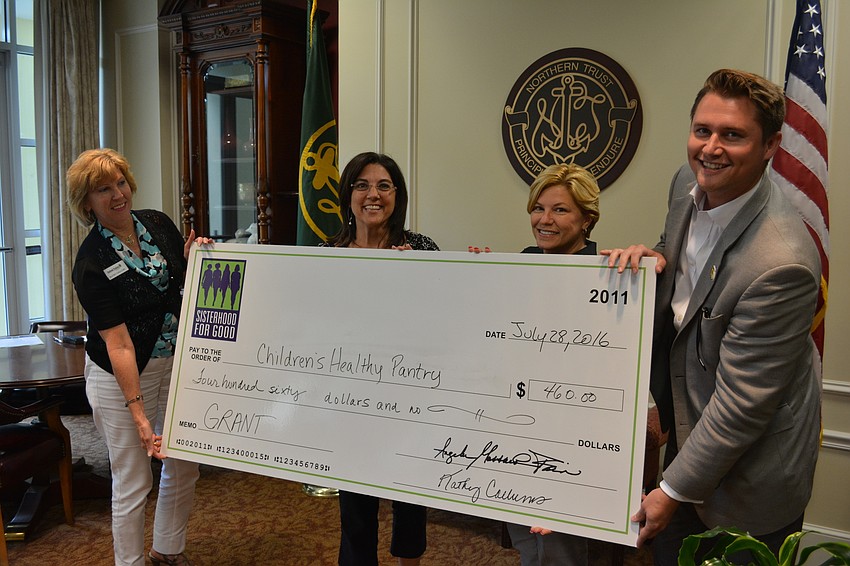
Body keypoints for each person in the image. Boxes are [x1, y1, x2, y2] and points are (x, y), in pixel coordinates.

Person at [604, 69, 821, 565]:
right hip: (684, 435)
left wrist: (670, 489)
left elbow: (742, 406)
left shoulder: (780, 262)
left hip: (750, 478)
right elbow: (685, 261)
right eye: (703, 130)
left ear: (770, 145)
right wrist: (655, 259)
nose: (710, 148)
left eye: (733, 135)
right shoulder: (687, 182)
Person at [68, 148, 212, 566]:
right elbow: (119, 345)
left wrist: (192, 258)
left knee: (184, 463)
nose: (117, 194)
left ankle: (167, 550)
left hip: (175, 365)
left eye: (120, 183)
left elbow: (177, 286)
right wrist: (139, 415)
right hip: (120, 378)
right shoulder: (91, 262)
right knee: (133, 480)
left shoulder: (157, 224)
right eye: (103, 189)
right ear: (87, 203)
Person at [328, 152, 438, 566]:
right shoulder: (325, 255)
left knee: (410, 496)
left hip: (408, 398)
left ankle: (410, 561)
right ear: (348, 195)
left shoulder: (423, 249)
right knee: (355, 507)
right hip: (348, 401)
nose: (373, 195)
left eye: (384, 186)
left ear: (397, 195)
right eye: (362, 185)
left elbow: (446, 321)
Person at [506, 163, 599, 566]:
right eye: (538, 208)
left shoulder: (611, 279)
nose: (544, 219)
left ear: (586, 219)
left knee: (564, 552)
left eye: (560, 210)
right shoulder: (520, 267)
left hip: (570, 437)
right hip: (516, 425)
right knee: (526, 543)